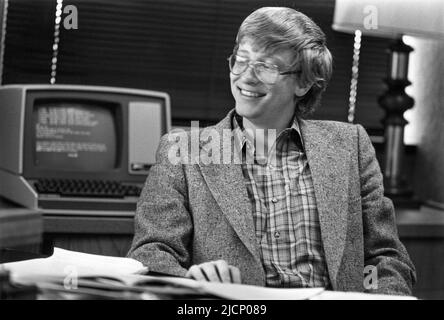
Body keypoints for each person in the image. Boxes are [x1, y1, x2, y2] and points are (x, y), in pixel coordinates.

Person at [128, 7, 416, 295]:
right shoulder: (182, 151)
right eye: (241, 61)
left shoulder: (350, 145)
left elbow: (386, 257)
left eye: (266, 67)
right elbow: (151, 254)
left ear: (303, 83)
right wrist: (192, 282)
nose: (246, 77)